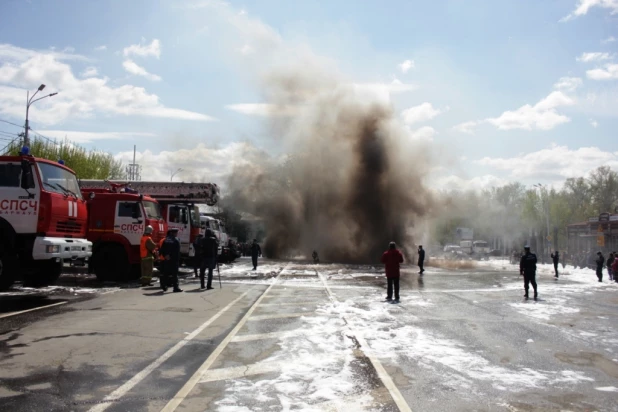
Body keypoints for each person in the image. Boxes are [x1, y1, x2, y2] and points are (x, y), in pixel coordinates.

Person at [159, 228, 183, 292]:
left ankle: (164, 286)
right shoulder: (176, 240)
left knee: (166, 273)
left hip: (167, 260)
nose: (177, 234)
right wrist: (177, 259)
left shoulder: (165, 240)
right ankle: (176, 287)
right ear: (173, 233)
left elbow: (161, 250)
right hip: (174, 260)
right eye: (176, 233)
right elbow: (177, 252)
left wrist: (165, 256)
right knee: (174, 274)